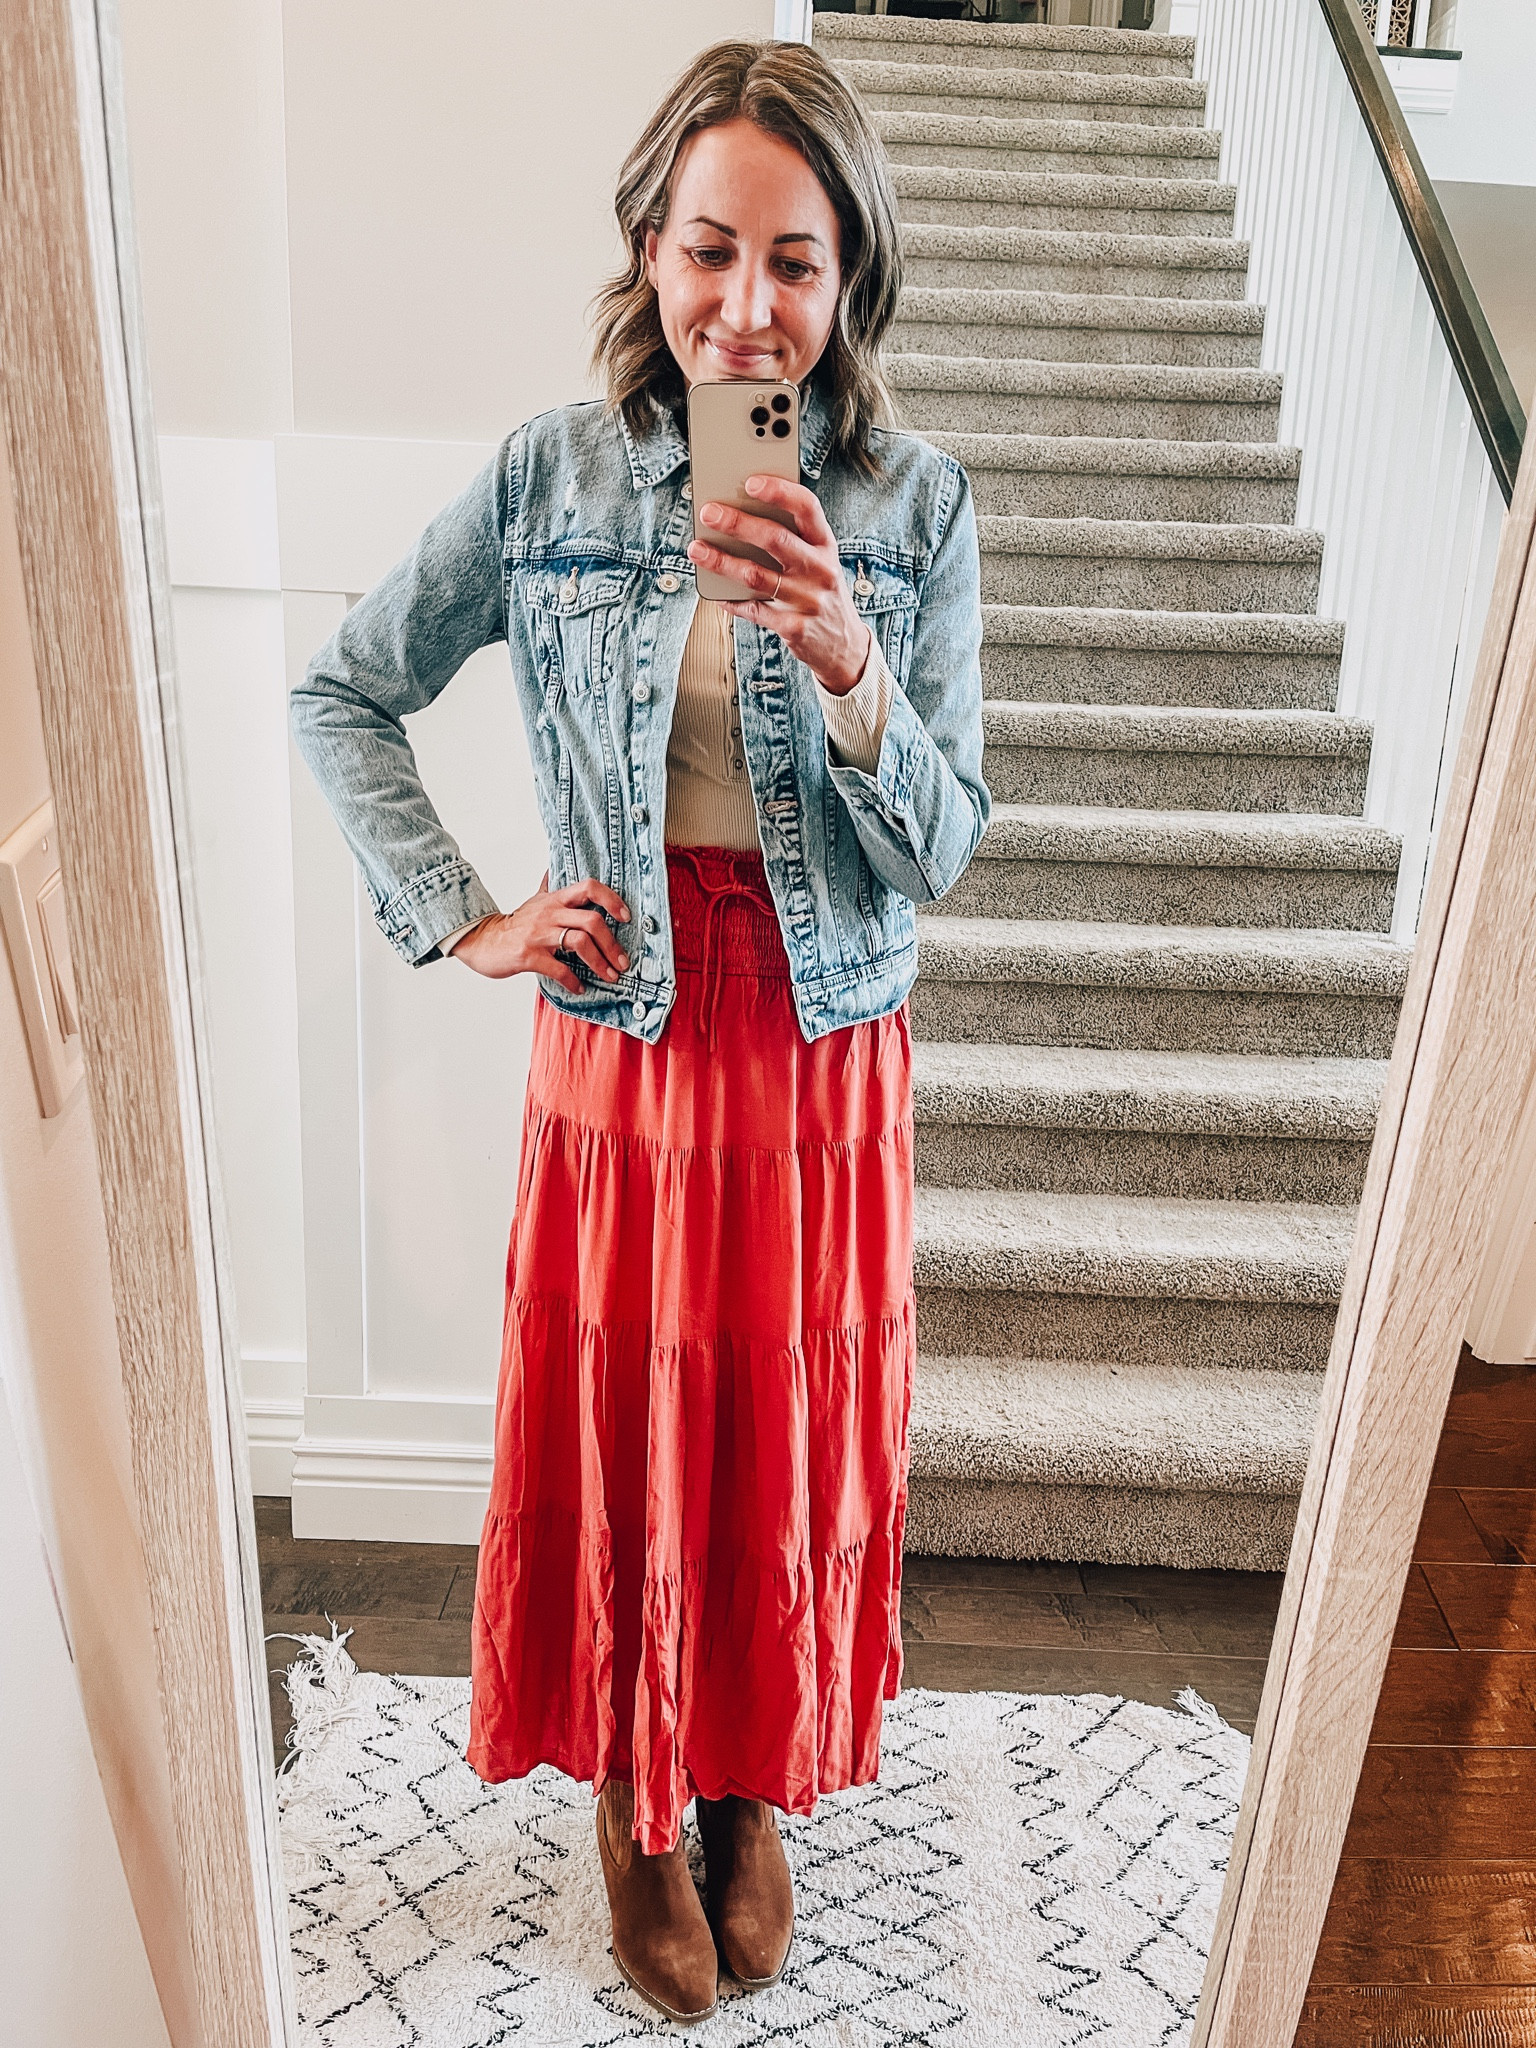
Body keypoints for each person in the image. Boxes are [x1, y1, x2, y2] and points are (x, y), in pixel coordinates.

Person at [289, 36, 987, 2026]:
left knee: (779, 1441)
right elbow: (343, 691)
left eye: (794, 261)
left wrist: (852, 662)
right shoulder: (550, 476)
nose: (745, 304)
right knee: (631, 1441)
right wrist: (475, 917)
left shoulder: (915, 507)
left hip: (823, 1040)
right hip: (629, 1025)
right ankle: (629, 1787)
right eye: (710, 251)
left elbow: (940, 845)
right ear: (646, 245)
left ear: (847, 279)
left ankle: (751, 1781)